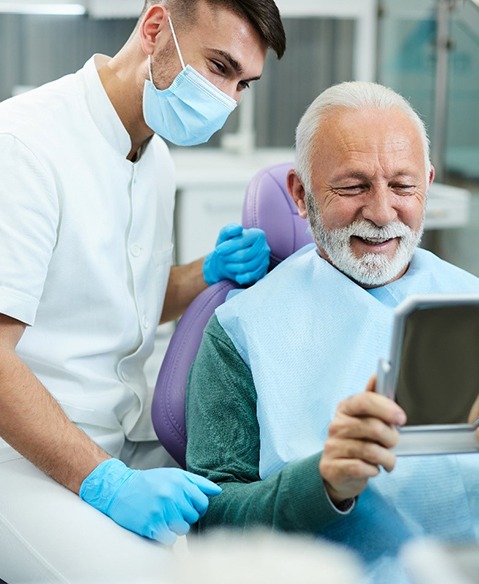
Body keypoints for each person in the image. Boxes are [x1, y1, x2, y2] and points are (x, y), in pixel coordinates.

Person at [0, 0, 285, 580]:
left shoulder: (154, 156)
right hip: (22, 458)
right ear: (156, 28)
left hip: (124, 435)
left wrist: (207, 271)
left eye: (243, 84)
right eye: (218, 66)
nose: (227, 100)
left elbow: (119, 300)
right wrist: (105, 482)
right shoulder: (24, 145)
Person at [186, 81, 479, 582]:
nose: (383, 213)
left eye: (403, 187)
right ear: (301, 194)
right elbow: (211, 520)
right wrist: (322, 482)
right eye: (353, 187)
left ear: (427, 184)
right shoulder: (240, 331)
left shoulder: (467, 303)